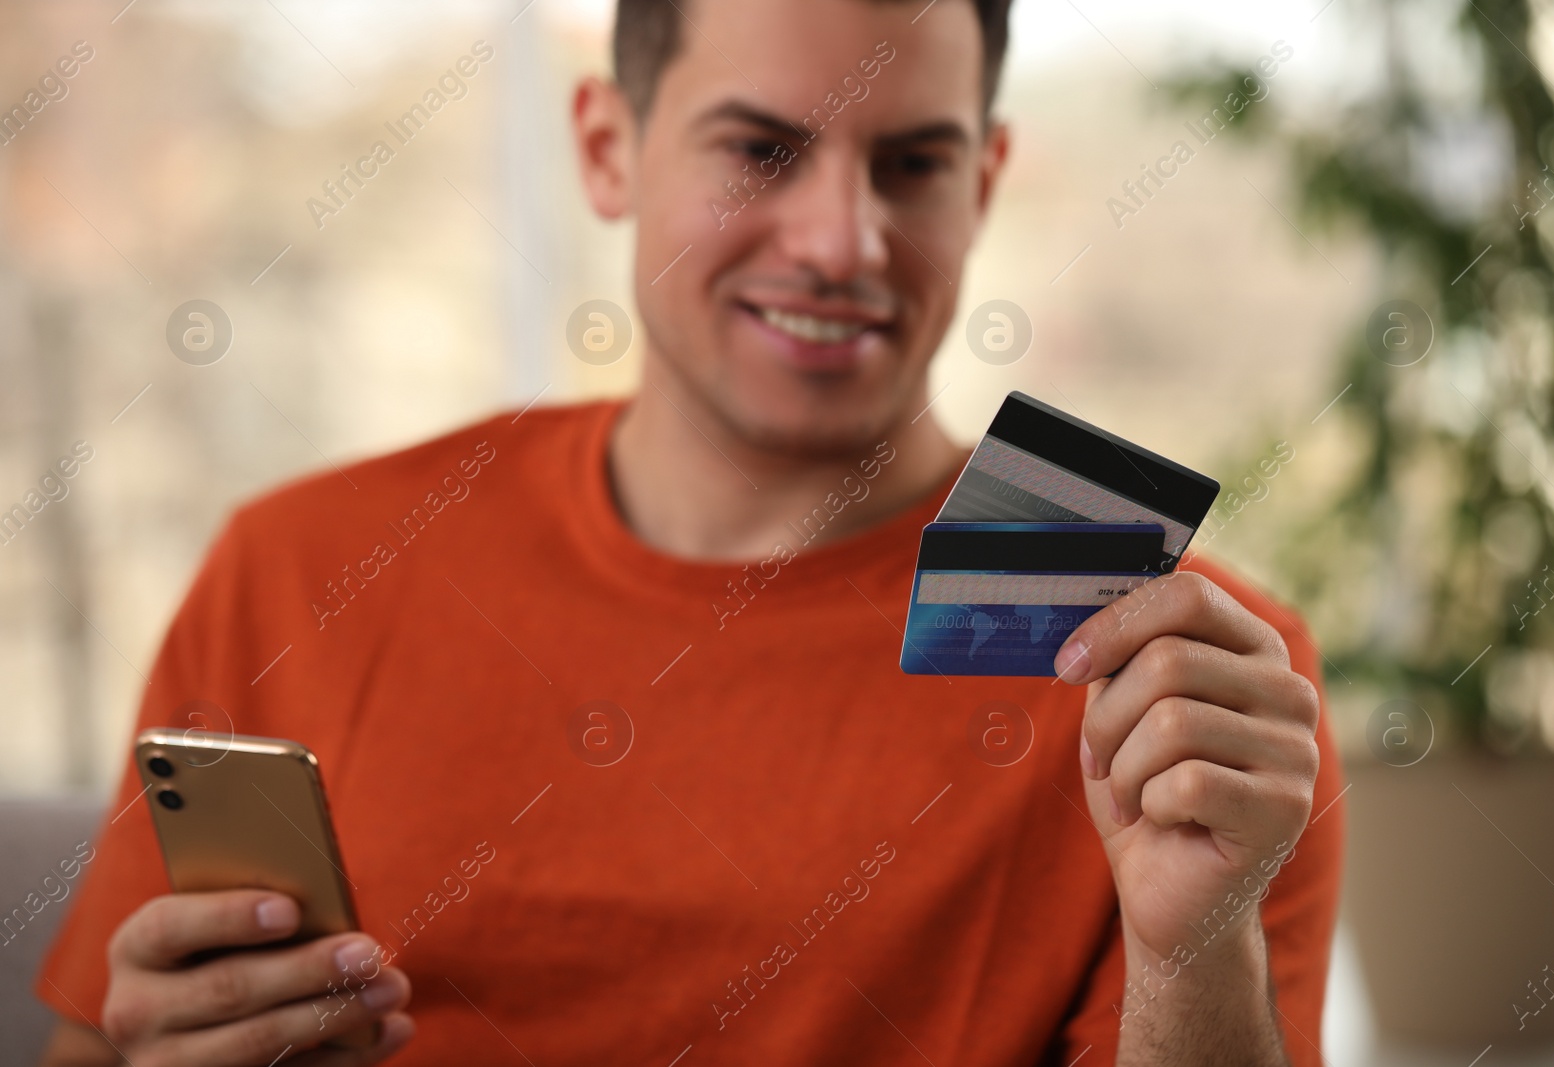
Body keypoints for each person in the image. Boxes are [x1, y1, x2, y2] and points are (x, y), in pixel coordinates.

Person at [36, 0, 1343, 1063]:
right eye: (761, 150)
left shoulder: (1189, 700)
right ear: (608, 148)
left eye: (914, 163)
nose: (844, 241)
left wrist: (1192, 952)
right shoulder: (295, 570)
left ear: (985, 181)